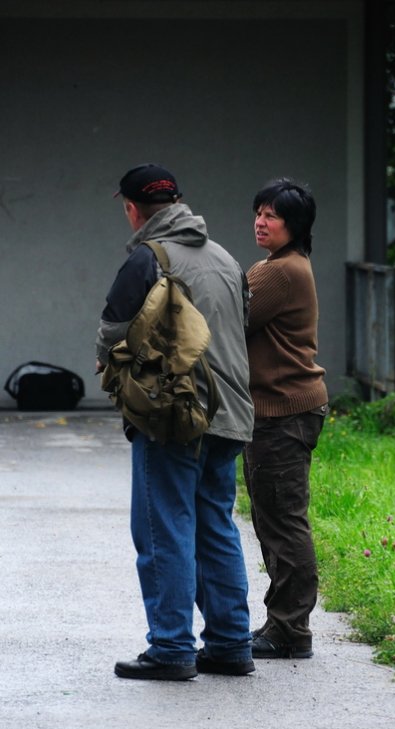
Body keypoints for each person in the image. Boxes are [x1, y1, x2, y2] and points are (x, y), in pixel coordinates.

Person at [96, 163, 255, 680]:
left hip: (175, 417)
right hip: (230, 414)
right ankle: (231, 643)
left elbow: (111, 333)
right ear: (179, 202)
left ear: (132, 208)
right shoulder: (226, 257)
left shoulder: (149, 258)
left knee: (164, 529)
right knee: (216, 526)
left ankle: (170, 648)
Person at [243, 178, 328, 660]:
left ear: (294, 226)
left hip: (283, 410)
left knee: (283, 523)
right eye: (258, 211)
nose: (261, 220)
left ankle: (291, 631)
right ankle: (282, 624)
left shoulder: (277, 272)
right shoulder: (287, 265)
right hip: (284, 408)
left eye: (272, 214)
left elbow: (224, 316)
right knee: (275, 519)